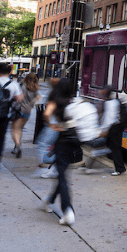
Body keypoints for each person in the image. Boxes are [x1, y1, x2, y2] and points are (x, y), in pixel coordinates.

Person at [38, 78, 95, 226]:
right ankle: (48, 201)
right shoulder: (72, 101)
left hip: (63, 140)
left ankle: (67, 210)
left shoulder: (55, 99)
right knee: (62, 173)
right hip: (76, 141)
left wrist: (52, 125)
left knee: (62, 177)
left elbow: (46, 113)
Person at [79, 87, 121, 175]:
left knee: (104, 147)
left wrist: (103, 130)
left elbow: (109, 119)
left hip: (111, 128)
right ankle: (88, 166)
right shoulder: (114, 102)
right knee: (106, 147)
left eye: (103, 91)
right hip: (113, 128)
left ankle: (119, 169)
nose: (101, 92)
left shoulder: (109, 103)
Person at [11, 73, 41, 157]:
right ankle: (17, 146)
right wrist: (30, 104)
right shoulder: (36, 89)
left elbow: (17, 97)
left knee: (15, 130)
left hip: (18, 110)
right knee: (20, 129)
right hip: (27, 111)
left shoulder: (22, 86)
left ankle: (17, 146)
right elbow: (38, 99)